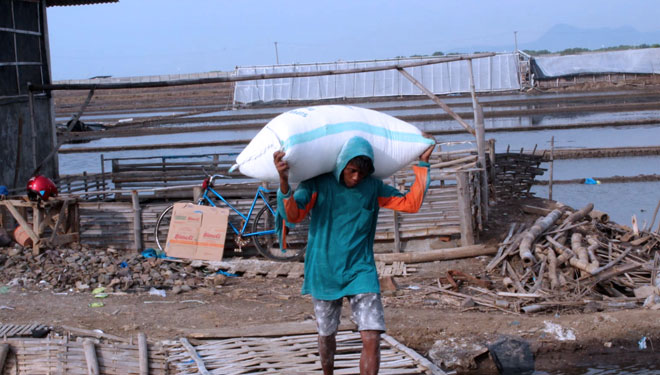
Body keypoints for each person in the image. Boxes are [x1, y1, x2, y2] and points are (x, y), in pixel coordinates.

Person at [273, 135, 434, 375]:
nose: (357, 177)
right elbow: (293, 216)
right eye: (352, 171)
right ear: (341, 165)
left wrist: (422, 165)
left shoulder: (373, 187)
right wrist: (284, 181)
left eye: (362, 172)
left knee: (372, 336)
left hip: (361, 270)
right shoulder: (316, 185)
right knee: (327, 336)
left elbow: (410, 203)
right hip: (324, 270)